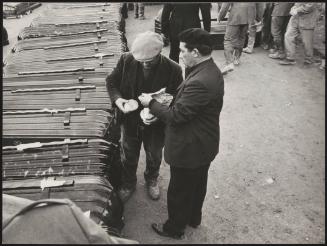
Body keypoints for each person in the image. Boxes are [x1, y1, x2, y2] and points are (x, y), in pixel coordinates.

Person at [138, 28, 224, 240]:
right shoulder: (208, 69)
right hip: (203, 143)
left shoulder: (199, 81)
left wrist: (152, 103)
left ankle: (174, 228)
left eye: (183, 50)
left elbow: (176, 116)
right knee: (197, 185)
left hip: (190, 147)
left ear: (195, 52)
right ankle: (193, 218)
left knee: (179, 191)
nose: (180, 54)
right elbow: (188, 103)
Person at [105, 31, 183, 202]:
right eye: (141, 62)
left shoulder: (174, 69)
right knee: (129, 153)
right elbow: (111, 82)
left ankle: (152, 179)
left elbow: (177, 99)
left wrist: (158, 114)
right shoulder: (126, 59)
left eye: (150, 61)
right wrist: (119, 101)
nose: (145, 64)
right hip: (130, 119)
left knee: (154, 154)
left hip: (156, 123)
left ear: (159, 53)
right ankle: (128, 183)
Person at [218, 2, 264, 74]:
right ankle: (237, 58)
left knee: (228, 39)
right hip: (249, 16)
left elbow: (225, 5)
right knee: (241, 37)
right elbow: (261, 6)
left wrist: (221, 16)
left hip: (235, 15)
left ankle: (229, 62)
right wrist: (258, 18)